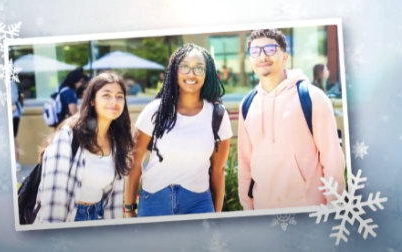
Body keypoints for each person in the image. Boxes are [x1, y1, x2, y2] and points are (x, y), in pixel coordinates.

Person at [237, 29, 345, 210]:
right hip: (263, 210)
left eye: (270, 49)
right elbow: (245, 162)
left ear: (285, 56)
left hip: (309, 210)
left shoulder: (312, 98)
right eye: (255, 51)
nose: (262, 56)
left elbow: (332, 159)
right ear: (250, 60)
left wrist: (334, 210)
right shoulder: (247, 104)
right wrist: (248, 209)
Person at [124, 43, 233, 217]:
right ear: (175, 71)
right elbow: (134, 161)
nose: (191, 74)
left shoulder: (217, 115)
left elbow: (218, 170)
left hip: (198, 203)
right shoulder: (155, 111)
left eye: (199, 68)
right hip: (154, 201)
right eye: (185, 67)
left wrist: (216, 217)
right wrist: (129, 208)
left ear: (208, 73)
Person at [33, 71, 134, 223]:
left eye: (120, 96)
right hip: (70, 218)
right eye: (106, 95)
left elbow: (114, 200)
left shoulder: (119, 141)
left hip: (99, 218)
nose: (114, 101)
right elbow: (53, 198)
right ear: (92, 100)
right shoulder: (68, 137)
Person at [11, 80, 24, 172]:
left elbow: (12, 98)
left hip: (12, 114)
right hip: (12, 114)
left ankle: (16, 162)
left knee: (13, 138)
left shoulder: (9, 82)